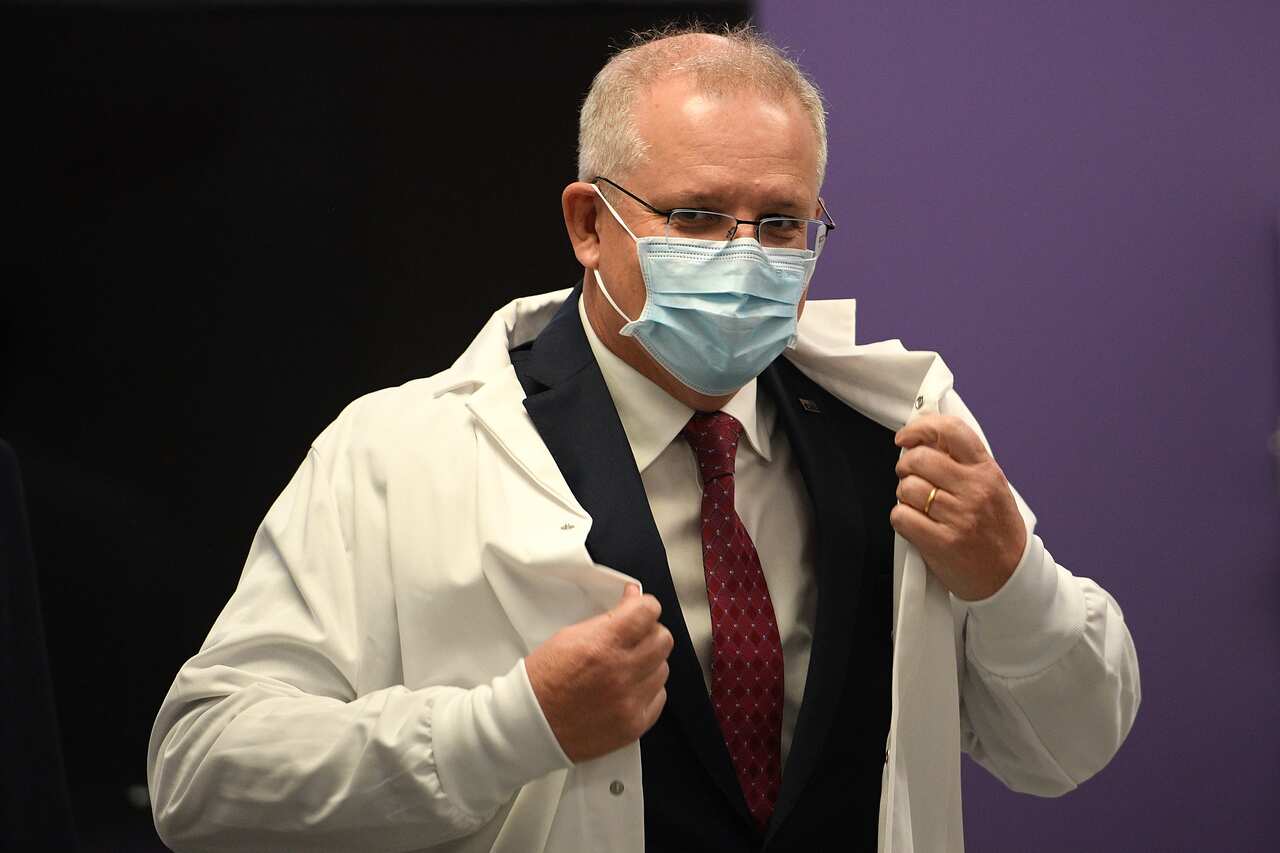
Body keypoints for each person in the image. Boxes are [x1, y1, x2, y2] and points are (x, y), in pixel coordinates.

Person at [147, 23, 1140, 853]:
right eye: (700, 216)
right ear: (588, 222)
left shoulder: (897, 434)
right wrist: (509, 727)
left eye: (782, 222)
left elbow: (1066, 746)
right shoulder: (399, 452)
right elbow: (203, 773)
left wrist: (1008, 575)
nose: (746, 256)